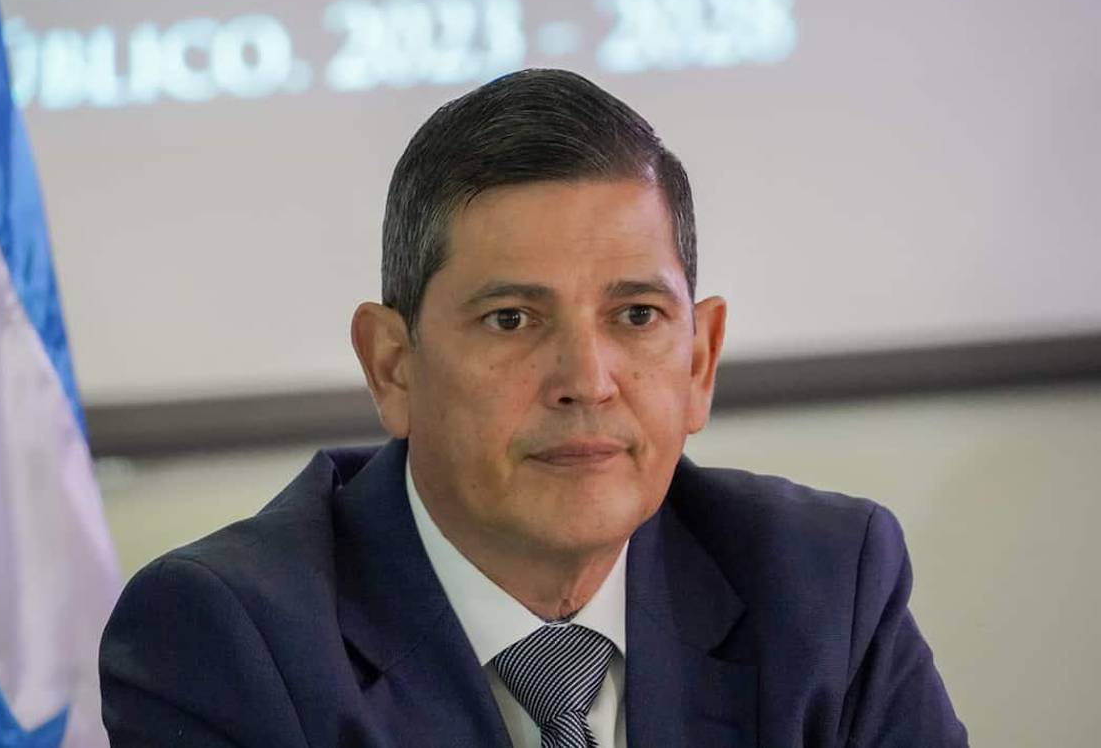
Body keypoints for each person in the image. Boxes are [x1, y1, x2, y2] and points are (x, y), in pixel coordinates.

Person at [98, 69, 967, 747]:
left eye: (637, 316)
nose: (586, 380)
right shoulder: (230, 637)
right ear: (393, 367)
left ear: (701, 360)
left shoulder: (825, 587)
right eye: (512, 319)